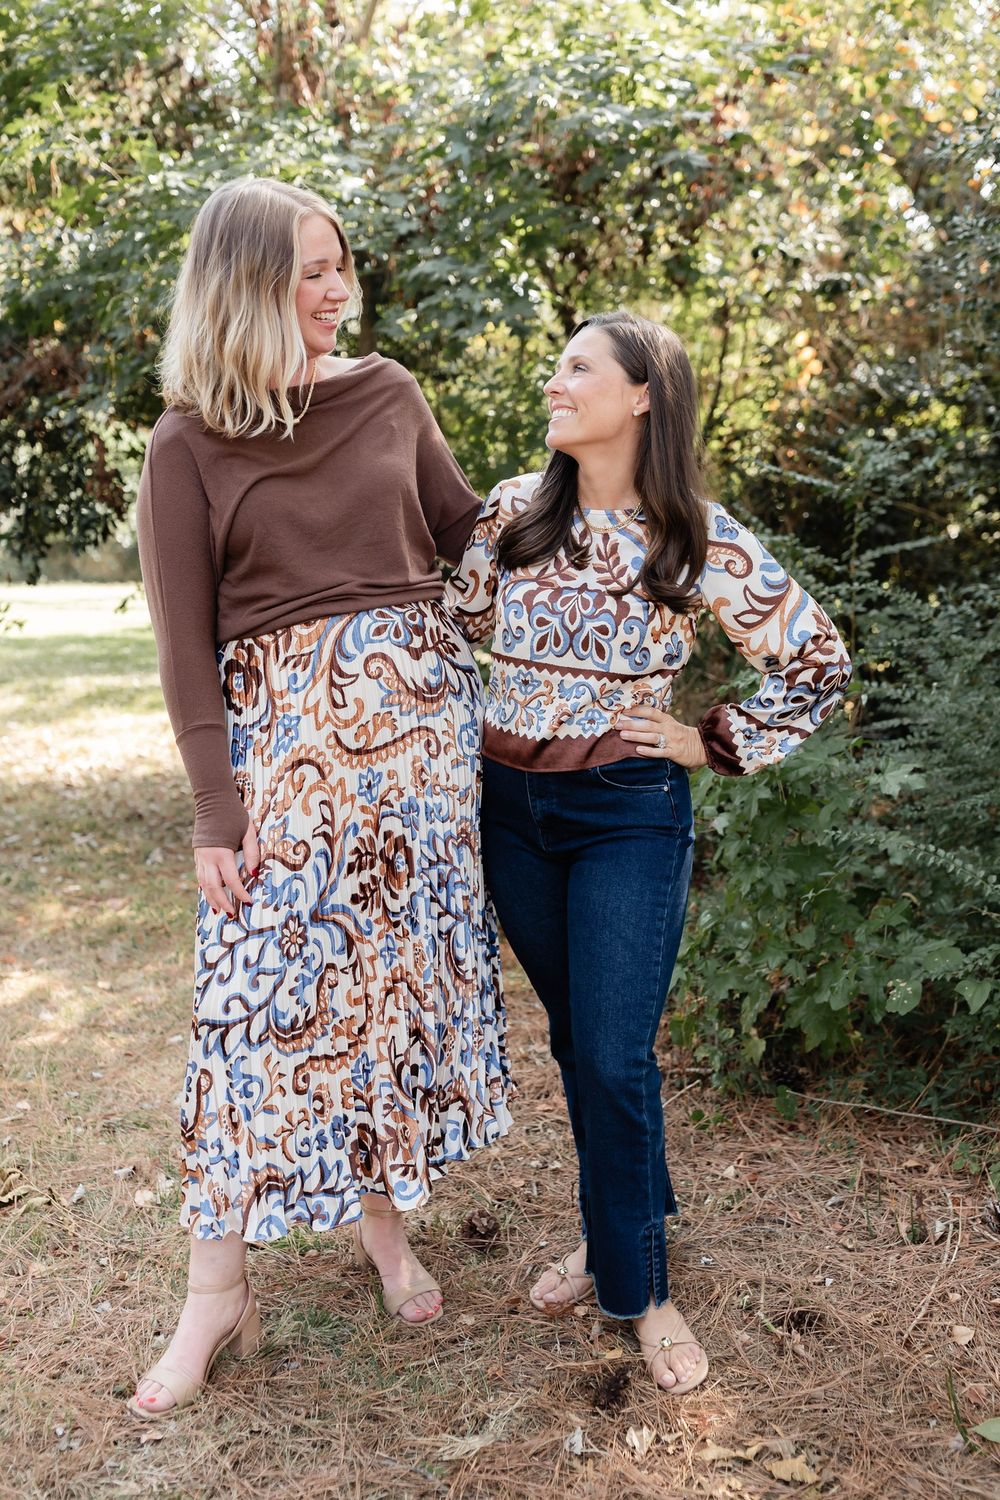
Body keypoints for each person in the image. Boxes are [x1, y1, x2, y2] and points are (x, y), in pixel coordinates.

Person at [130, 176, 512, 1417]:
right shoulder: (187, 444)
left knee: (385, 1000)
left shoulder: (388, 393)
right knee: (248, 1017)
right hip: (287, 768)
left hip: (419, 765)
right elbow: (184, 645)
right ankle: (216, 1292)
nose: (338, 287)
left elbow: (466, 533)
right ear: (245, 285)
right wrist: (214, 810)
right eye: (311, 269)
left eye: (340, 263)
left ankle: (384, 1226)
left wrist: (593, 501)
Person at [444, 310, 851, 1394]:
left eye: (578, 367)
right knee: (581, 1043)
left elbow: (816, 659)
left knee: (616, 1053)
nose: (554, 381)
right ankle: (613, 1225)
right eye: (555, 365)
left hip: (626, 811)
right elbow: (445, 634)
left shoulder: (695, 535)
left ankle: (642, 1288)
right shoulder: (509, 516)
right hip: (509, 808)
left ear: (641, 396)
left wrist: (710, 740)